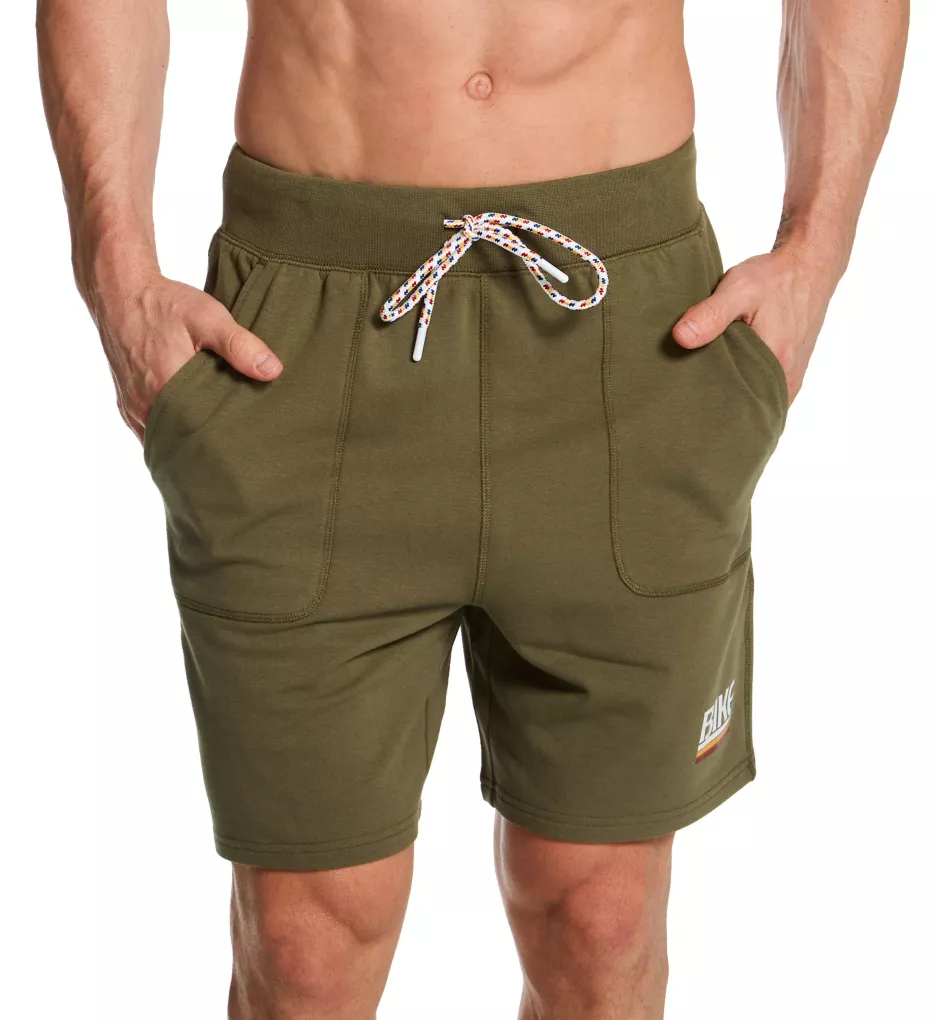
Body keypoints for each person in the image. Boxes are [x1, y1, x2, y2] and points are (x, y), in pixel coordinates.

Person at [37, 1, 908, 1016]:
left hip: (630, 328)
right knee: (303, 948)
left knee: (601, 923)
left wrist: (814, 254)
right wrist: (116, 276)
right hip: (303, 329)